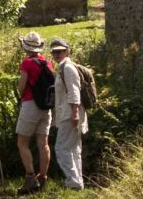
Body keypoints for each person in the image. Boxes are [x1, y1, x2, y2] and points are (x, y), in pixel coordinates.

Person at [13, 32, 54, 194]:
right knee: (43, 144)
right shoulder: (48, 63)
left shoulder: (27, 63)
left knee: (22, 143)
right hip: (46, 107)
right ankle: (43, 177)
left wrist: (20, 96)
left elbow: (21, 86)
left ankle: (31, 178)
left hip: (30, 105)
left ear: (26, 47)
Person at [48, 38, 88, 190]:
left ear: (67, 50)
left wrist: (75, 113)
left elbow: (74, 91)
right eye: (54, 52)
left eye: (60, 51)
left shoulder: (68, 68)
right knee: (73, 149)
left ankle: (73, 182)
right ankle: (77, 182)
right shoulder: (62, 67)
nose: (57, 54)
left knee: (61, 148)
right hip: (68, 113)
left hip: (69, 114)